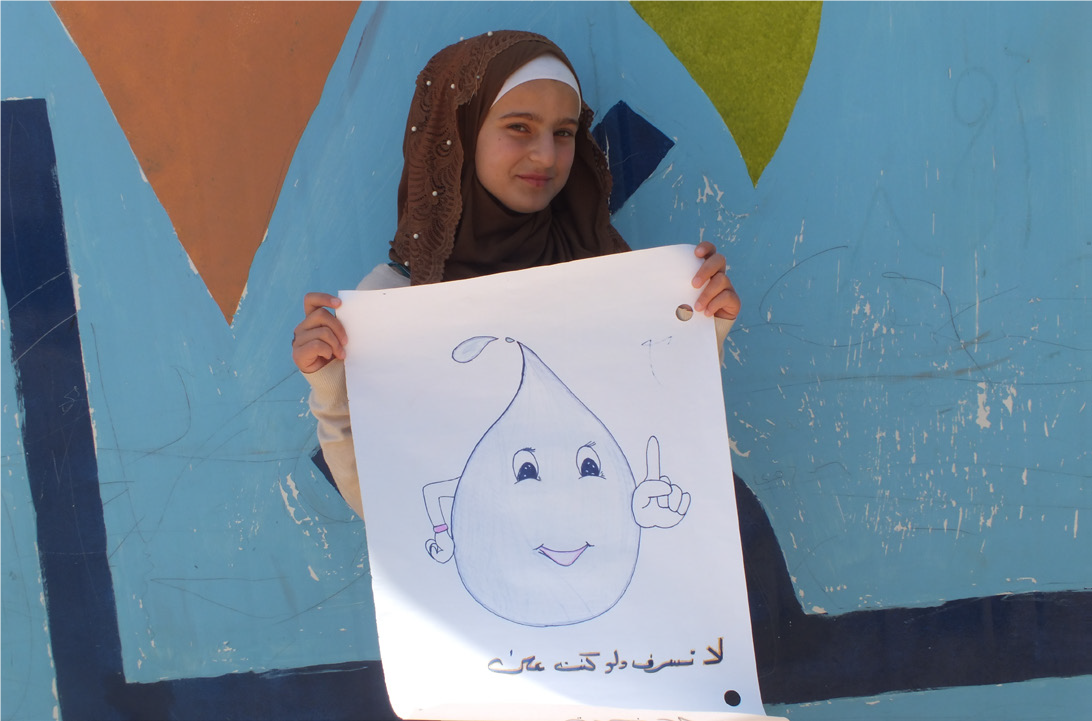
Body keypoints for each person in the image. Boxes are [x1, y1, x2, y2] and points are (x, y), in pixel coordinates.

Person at [291, 30, 740, 518]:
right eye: (520, 127)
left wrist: (700, 327)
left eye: (564, 132)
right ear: (460, 133)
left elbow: (658, 433)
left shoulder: (606, 272)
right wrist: (332, 383)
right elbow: (386, 511)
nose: (546, 155)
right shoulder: (394, 302)